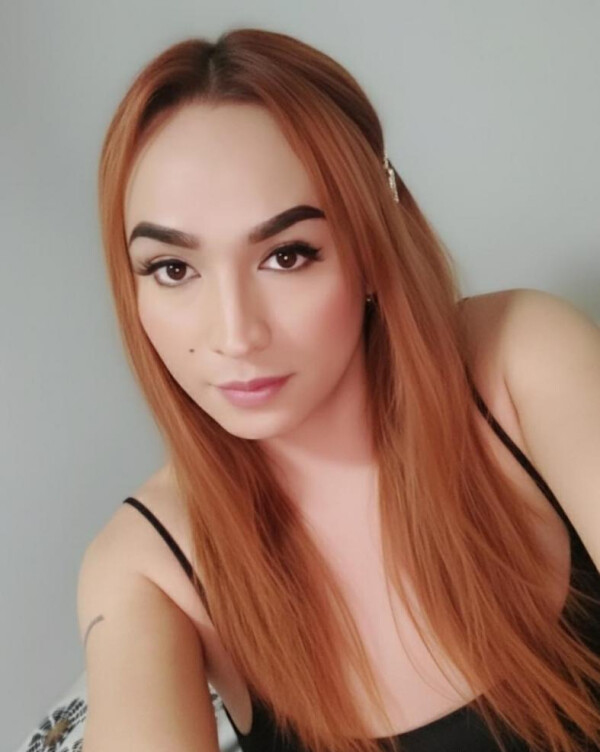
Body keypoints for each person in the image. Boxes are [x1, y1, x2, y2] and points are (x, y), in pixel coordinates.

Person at [77, 27, 600, 752]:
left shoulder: (522, 359)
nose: (235, 333)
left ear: (370, 248)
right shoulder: (146, 569)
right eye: (173, 269)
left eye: (288, 255)